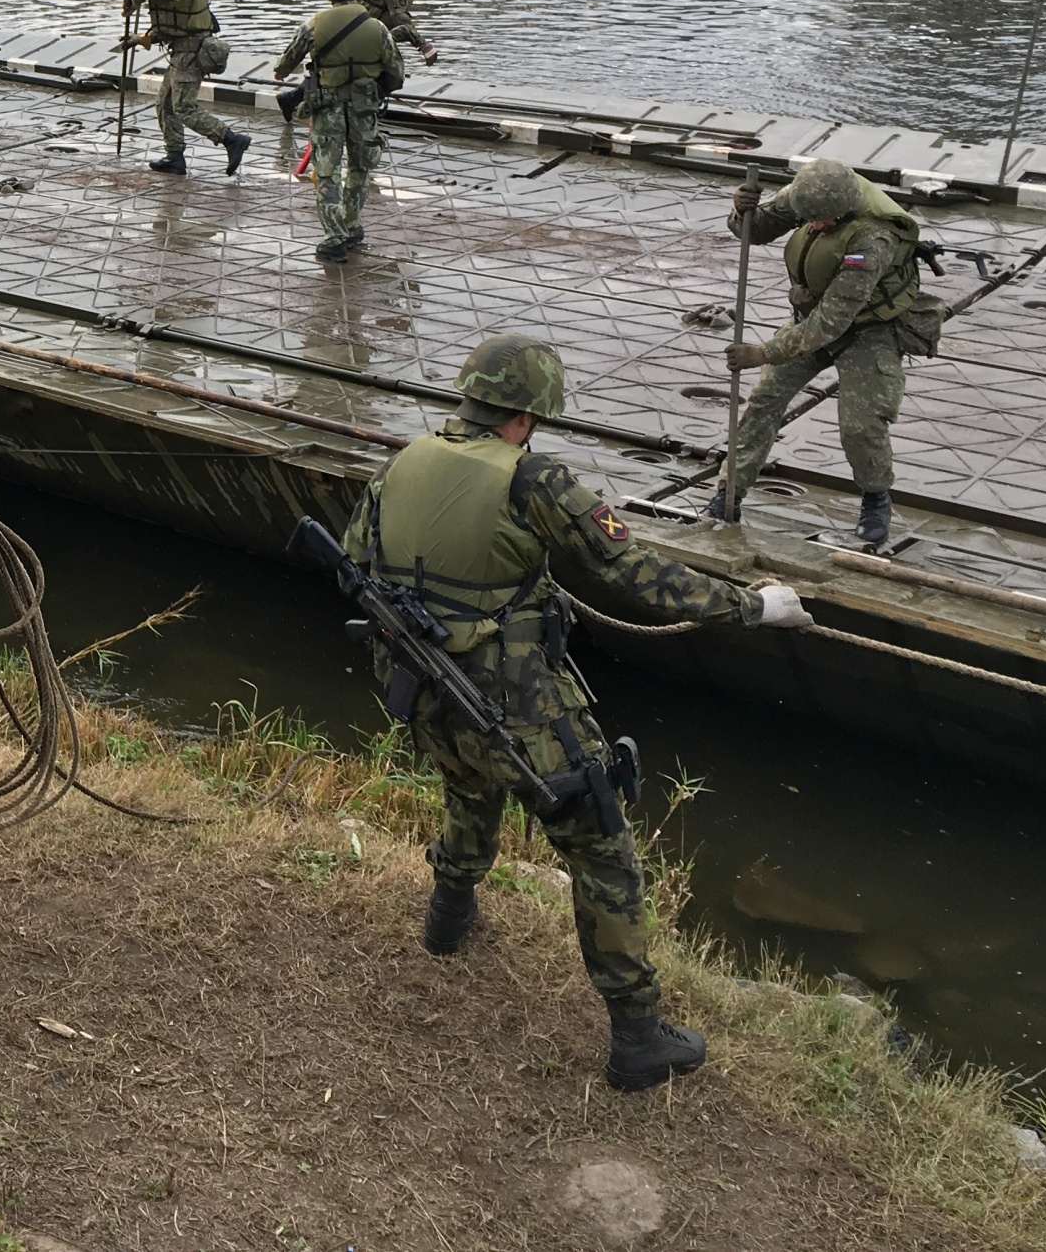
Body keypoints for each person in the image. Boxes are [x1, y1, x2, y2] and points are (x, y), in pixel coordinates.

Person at [342, 334, 811, 1092]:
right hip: (516, 705)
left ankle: (448, 919)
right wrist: (752, 606)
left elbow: (357, 562)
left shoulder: (403, 462)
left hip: (420, 688)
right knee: (601, 847)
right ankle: (637, 1037)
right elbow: (637, 573)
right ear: (527, 416)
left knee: (468, 786)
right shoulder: (534, 479)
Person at [712, 157, 942, 548]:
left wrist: (763, 353)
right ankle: (728, 493)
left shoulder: (873, 239)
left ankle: (876, 501)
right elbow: (756, 230)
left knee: (861, 424)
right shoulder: (809, 194)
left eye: (823, 222)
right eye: (809, 221)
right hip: (810, 316)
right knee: (765, 399)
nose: (815, 227)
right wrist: (742, 209)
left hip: (868, 329)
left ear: (843, 211)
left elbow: (832, 322)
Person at [273, 0, 404, 260]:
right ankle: (352, 226)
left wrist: (286, 72)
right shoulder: (379, 29)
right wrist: (373, 88)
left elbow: (284, 65)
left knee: (327, 172)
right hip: (364, 109)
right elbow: (396, 73)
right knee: (360, 168)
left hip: (327, 109)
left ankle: (334, 239)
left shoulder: (314, 25)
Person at [125, 0, 250, 177]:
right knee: (166, 104)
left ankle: (231, 139)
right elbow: (175, 23)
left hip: (190, 53)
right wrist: (142, 39)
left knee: (183, 107)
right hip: (183, 50)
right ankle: (175, 157)